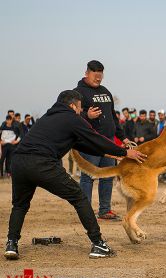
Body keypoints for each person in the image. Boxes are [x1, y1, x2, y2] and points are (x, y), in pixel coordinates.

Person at [4, 90, 146, 260]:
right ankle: (98, 244)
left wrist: (111, 154)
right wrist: (124, 152)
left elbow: (82, 144)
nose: (81, 112)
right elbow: (94, 138)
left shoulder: (47, 118)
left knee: (20, 205)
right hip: (42, 163)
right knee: (79, 197)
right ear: (72, 105)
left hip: (19, 162)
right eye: (80, 108)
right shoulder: (72, 118)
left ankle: (11, 244)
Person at [74, 60, 129, 221]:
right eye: (95, 76)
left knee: (107, 176)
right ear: (86, 73)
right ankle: (85, 212)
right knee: (88, 177)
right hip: (89, 142)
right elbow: (71, 115)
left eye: (100, 76)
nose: (98, 79)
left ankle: (105, 210)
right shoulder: (77, 93)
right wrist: (87, 116)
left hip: (109, 142)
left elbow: (113, 117)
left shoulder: (105, 92)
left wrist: (123, 137)